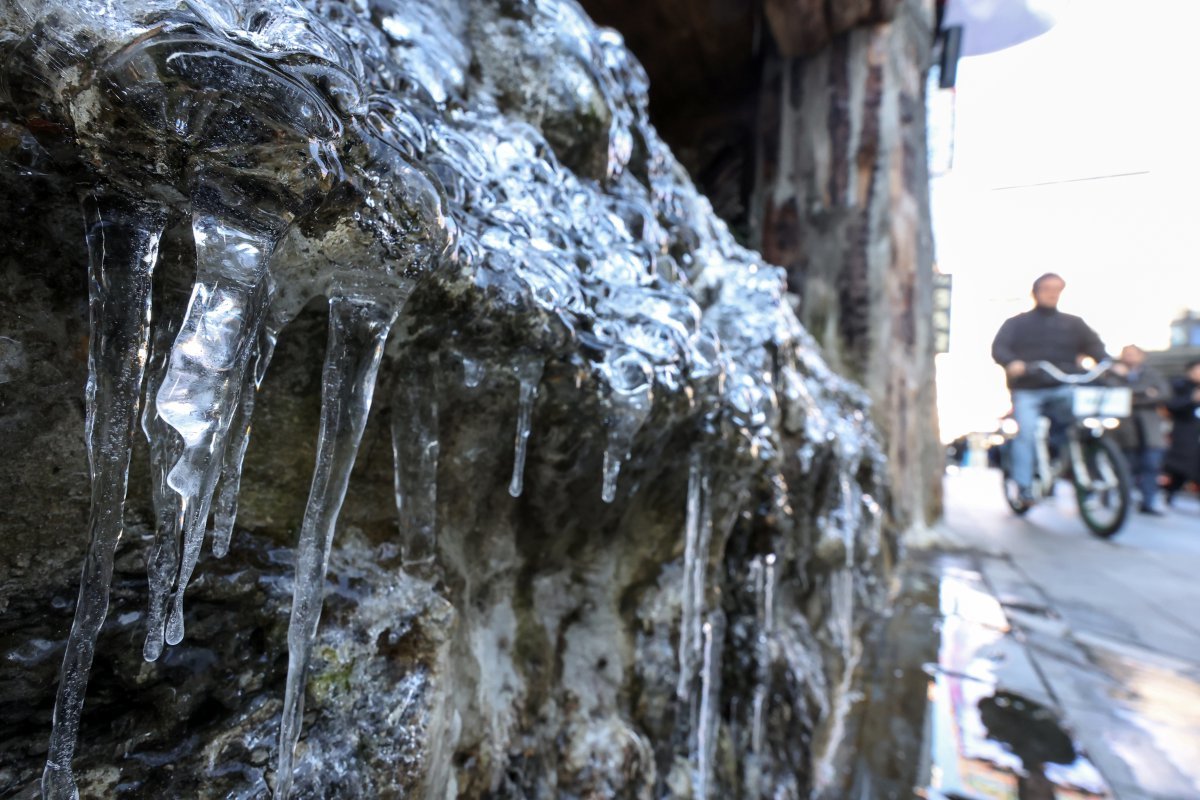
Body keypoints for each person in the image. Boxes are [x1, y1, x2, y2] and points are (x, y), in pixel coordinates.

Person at [991, 273, 1108, 507]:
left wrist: (1108, 363)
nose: (1052, 293)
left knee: (1084, 424)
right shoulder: (1017, 323)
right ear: (1036, 291)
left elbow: (1095, 347)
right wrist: (1012, 362)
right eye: (1047, 288)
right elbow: (999, 348)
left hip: (1064, 386)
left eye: (1057, 289)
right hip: (1028, 388)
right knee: (1027, 434)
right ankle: (1024, 487)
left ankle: (1079, 467)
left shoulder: (1074, 324)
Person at [1111, 345, 1170, 515]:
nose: (1129, 357)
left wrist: (1133, 397)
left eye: (1133, 354)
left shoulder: (1152, 373)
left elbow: (1164, 393)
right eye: (1126, 354)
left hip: (1149, 428)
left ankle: (1148, 501)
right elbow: (1114, 393)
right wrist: (1146, 393)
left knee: (1151, 464)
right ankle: (1123, 500)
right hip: (1124, 428)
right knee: (1125, 464)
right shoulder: (1114, 372)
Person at [1163, 359, 1200, 506]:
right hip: (1185, 430)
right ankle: (1171, 490)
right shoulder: (1180, 385)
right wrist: (1192, 399)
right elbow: (1172, 405)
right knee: (1181, 465)